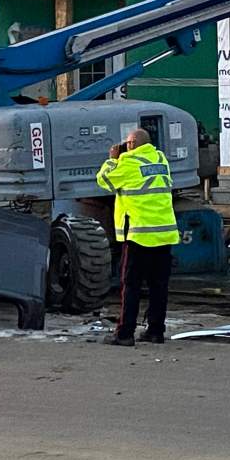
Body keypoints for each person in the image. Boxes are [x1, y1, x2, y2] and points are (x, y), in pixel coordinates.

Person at [95, 128, 179, 346]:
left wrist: (112, 159)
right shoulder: (160, 159)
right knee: (159, 286)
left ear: (132, 145)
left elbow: (104, 181)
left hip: (139, 235)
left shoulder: (129, 163)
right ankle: (155, 331)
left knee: (131, 285)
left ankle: (124, 333)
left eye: (127, 143)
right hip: (164, 234)